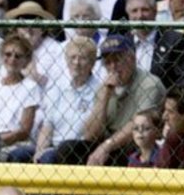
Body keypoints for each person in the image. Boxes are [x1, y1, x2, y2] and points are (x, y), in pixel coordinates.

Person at [55, 34, 166, 167]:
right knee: (67, 149)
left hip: (137, 144)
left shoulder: (149, 84)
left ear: (132, 59)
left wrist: (105, 147)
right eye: (108, 62)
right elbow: (90, 135)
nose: (113, 67)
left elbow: (136, 127)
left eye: (118, 60)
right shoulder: (104, 87)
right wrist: (104, 99)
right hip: (108, 145)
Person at [35, 35, 99, 164]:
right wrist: (39, 151)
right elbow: (47, 127)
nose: (76, 62)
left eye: (82, 58)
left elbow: (91, 134)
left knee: (50, 157)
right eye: (72, 57)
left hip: (79, 149)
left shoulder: (98, 90)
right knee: (19, 155)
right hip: (53, 147)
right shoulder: (57, 88)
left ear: (92, 63)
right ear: (66, 60)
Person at [0, 32, 40, 162]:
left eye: (18, 56)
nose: (12, 59)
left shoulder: (30, 87)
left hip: (15, 145)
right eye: (8, 54)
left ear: (26, 61)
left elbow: (24, 131)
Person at [125, 0, 184, 90]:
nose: (140, 15)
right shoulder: (124, 42)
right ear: (128, 15)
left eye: (145, 10)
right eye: (134, 11)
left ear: (155, 11)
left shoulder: (175, 41)